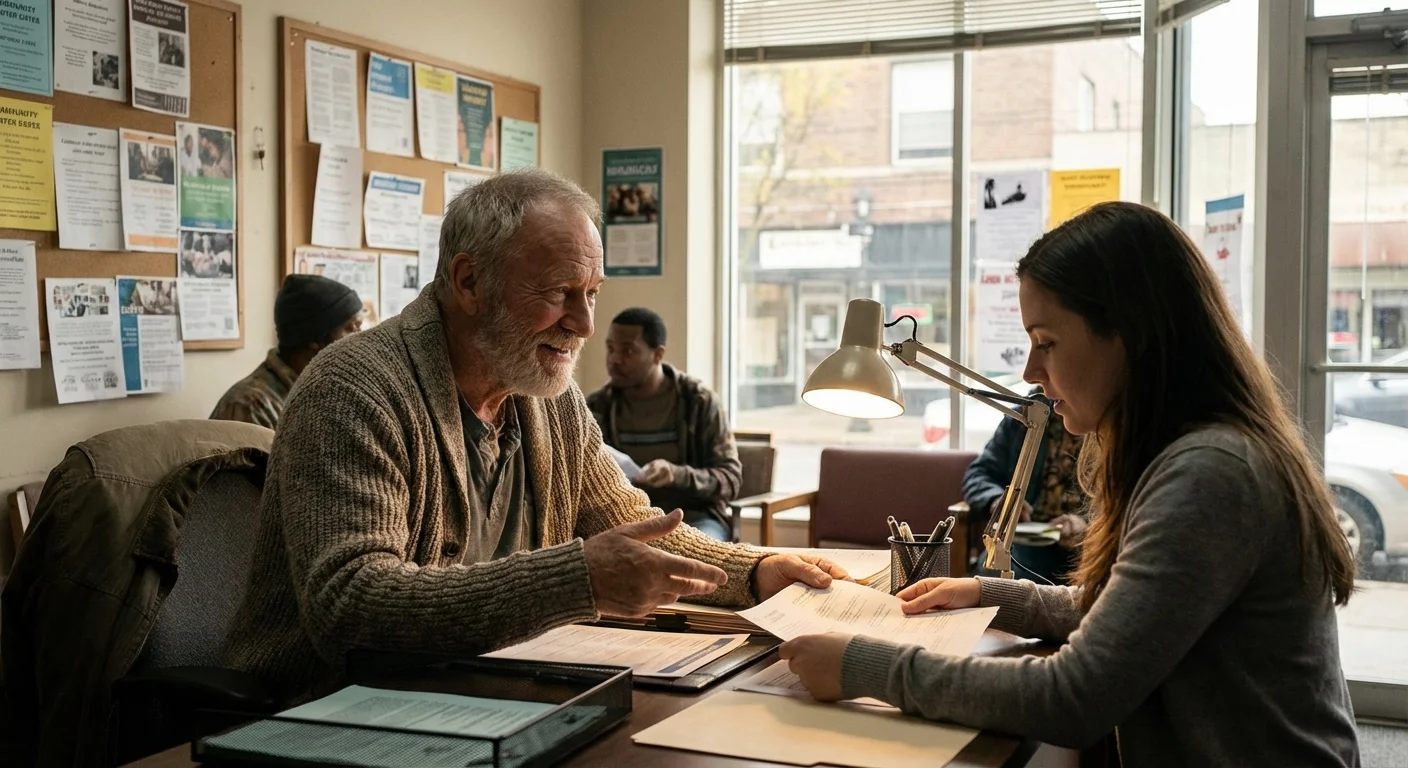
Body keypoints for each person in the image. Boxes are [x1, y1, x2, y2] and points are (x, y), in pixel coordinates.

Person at [220, 169, 846, 704]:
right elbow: (351, 607)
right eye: (558, 293)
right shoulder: (354, 387)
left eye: (592, 293)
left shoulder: (549, 395)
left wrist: (760, 571)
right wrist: (577, 579)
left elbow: (631, 525)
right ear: (468, 283)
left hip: (484, 698)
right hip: (327, 716)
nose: (583, 323)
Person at [779, 202, 1360, 766]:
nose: (1032, 371)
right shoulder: (1200, 452)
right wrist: (993, 594)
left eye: (1047, 342)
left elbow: (1074, 697)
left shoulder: (1210, 473)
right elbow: (1133, 617)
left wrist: (864, 666)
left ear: (1129, 334)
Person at [587, 308, 739, 542]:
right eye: (610, 348)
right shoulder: (598, 406)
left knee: (698, 557)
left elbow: (730, 479)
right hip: (625, 519)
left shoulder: (699, 402)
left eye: (628, 350)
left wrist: (676, 475)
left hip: (694, 517)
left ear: (657, 355)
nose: (614, 359)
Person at [962, 388, 1086, 584]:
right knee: (992, 577)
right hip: (1024, 542)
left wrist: (1088, 526)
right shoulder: (1025, 418)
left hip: (1084, 548)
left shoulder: (1110, 424)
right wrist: (999, 502)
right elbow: (979, 474)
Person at [209, 274, 362, 430]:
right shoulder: (248, 407)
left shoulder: (330, 390)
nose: (361, 338)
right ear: (315, 339)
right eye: (351, 328)